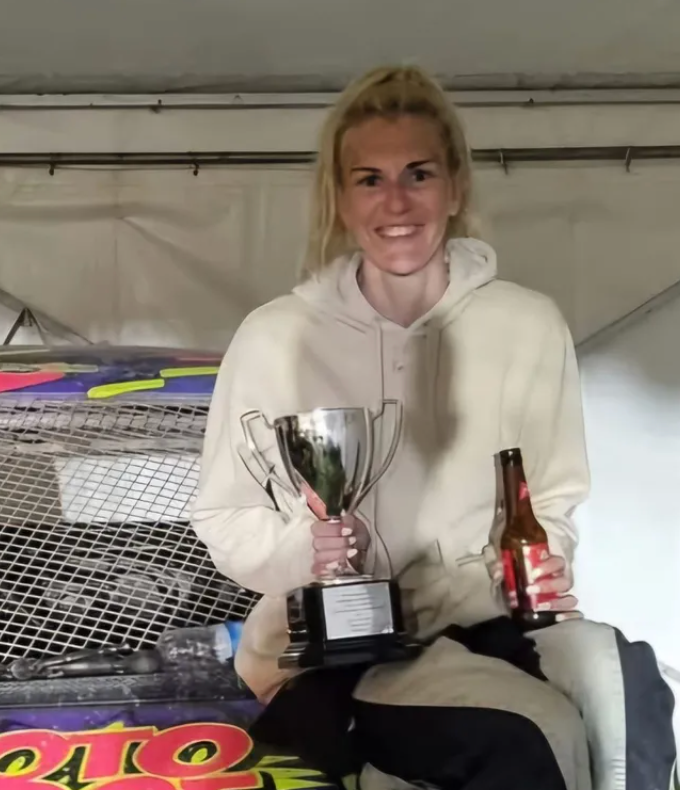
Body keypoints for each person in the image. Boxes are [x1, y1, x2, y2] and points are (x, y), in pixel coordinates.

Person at [191, 65, 676, 790]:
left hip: (491, 626)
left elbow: (549, 496)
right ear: (340, 198)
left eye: (418, 174)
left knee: (634, 692)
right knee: (527, 737)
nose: (397, 202)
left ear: (455, 188)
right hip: (340, 652)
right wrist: (310, 552)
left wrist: (544, 563)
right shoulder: (276, 338)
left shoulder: (525, 323)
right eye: (369, 179)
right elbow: (223, 517)